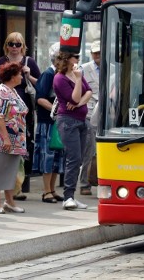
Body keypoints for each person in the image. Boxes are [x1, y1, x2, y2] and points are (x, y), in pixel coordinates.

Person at [0, 32, 40, 199]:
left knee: (18, 155)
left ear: (23, 46)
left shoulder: (29, 62)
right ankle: (4, 196)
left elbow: (42, 84)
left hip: (22, 116)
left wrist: (28, 75)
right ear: (6, 45)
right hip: (4, 116)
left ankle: (16, 189)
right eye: (11, 44)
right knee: (2, 157)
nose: (14, 47)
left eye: (18, 44)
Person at [0, 62, 28, 214]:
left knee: (10, 169)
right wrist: (6, 138)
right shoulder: (1, 91)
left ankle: (9, 201)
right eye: (19, 74)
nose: (21, 76)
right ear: (12, 76)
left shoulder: (12, 91)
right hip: (2, 136)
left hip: (14, 137)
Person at [53, 51, 92, 211]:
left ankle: (72, 196)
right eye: (75, 57)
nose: (78, 60)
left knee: (79, 159)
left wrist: (79, 104)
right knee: (73, 158)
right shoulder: (60, 78)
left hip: (82, 120)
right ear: (67, 59)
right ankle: (68, 197)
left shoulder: (77, 74)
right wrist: (77, 80)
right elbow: (74, 97)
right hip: (68, 121)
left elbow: (88, 92)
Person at [33, 42, 64, 204]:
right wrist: (55, 109)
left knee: (57, 156)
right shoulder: (48, 74)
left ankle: (52, 189)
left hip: (56, 122)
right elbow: (40, 98)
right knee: (48, 156)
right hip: (48, 122)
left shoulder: (59, 74)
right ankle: (46, 191)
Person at [79, 40, 100, 196]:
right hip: (90, 112)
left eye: (99, 52)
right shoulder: (84, 69)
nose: (97, 55)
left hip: (107, 114)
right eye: (95, 53)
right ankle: (84, 182)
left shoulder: (112, 68)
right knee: (89, 149)